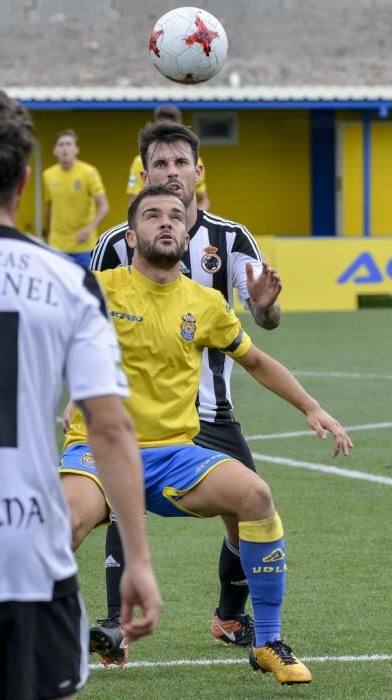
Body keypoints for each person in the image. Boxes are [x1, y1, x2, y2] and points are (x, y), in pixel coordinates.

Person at [61, 184, 353, 686]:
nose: (166, 222)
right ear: (132, 237)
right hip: (99, 449)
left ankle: (266, 642)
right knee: (62, 526)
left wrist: (312, 407)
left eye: (176, 215)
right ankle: (23, 649)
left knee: (256, 496)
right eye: (152, 216)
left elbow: (256, 360)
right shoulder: (98, 288)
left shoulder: (206, 303)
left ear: (188, 230)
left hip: (175, 454)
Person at [0, 88, 160, 700]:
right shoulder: (69, 282)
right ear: (27, 180)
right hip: (25, 550)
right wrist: (137, 558)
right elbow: (109, 428)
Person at [87, 119, 281, 665]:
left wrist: (265, 305)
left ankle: (229, 615)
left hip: (213, 406)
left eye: (180, 164)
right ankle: (115, 626)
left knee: (249, 507)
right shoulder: (114, 244)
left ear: (199, 171)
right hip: (138, 408)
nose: (171, 174)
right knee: (124, 504)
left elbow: (264, 324)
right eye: (160, 166)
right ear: (144, 174)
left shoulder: (231, 238)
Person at [43, 129, 109, 268]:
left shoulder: (89, 172)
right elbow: (49, 207)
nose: (64, 148)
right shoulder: (48, 175)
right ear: (55, 150)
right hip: (57, 245)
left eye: (68, 144)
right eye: (61, 144)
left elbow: (104, 206)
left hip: (83, 245)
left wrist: (90, 228)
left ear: (76, 149)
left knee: (85, 287)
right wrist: (48, 235)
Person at [126, 104, 210, 210]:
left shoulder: (196, 161)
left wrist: (191, 221)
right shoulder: (139, 162)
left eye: (180, 163)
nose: (172, 172)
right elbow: (133, 202)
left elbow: (203, 199)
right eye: (160, 164)